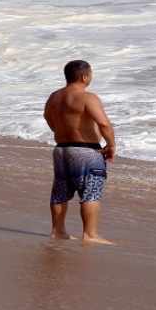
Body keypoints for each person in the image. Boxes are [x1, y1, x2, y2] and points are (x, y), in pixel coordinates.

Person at [43, 59, 115, 245]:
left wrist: (60, 131)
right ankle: (90, 234)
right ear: (84, 76)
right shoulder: (87, 97)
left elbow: (47, 117)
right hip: (86, 150)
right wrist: (110, 144)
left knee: (60, 191)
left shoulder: (54, 97)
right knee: (91, 192)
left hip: (61, 149)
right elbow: (104, 123)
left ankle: (58, 231)